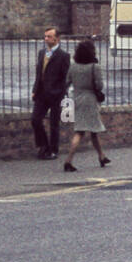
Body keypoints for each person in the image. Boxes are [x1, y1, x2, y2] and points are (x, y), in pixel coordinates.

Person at [63, 38, 110, 172]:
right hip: (90, 100)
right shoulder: (95, 66)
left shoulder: (73, 65)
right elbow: (99, 85)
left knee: (92, 130)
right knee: (81, 131)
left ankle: (102, 156)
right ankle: (68, 160)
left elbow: (67, 81)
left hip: (76, 98)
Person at [31, 27, 70, 158]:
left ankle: (53, 150)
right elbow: (39, 73)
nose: (46, 39)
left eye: (49, 36)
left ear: (56, 39)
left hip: (55, 94)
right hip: (41, 93)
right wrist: (34, 90)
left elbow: (66, 77)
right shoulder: (42, 53)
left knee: (54, 124)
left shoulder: (63, 56)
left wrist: (60, 92)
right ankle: (43, 146)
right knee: (35, 120)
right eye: (45, 36)